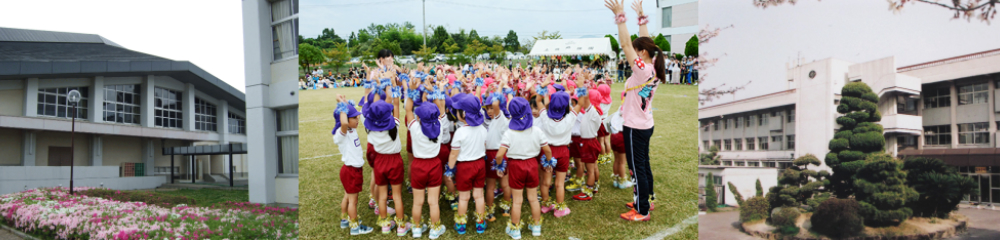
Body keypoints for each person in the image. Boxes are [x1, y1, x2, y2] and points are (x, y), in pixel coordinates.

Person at [605, 0, 663, 221]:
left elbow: (626, 44)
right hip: (645, 124)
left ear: (642, 53)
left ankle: (642, 210)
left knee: (637, 168)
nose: (634, 54)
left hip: (634, 126)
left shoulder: (642, 70)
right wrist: (642, 18)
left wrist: (620, 16)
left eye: (638, 51)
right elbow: (645, 43)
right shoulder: (653, 64)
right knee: (644, 164)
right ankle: (647, 200)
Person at [494, 97, 553, 239]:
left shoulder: (509, 132)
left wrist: (500, 166)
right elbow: (548, 150)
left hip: (515, 166)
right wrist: (549, 163)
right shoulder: (537, 131)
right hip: (532, 165)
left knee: (517, 200)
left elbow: (499, 154)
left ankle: (515, 230)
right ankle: (536, 227)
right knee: (533, 198)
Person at [404, 79, 448, 238]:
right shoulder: (441, 125)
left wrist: (411, 90)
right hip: (434, 165)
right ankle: (435, 229)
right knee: (433, 201)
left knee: (417, 201)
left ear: (419, 117)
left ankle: (416, 228)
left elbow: (408, 109)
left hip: (418, 165)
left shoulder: (415, 128)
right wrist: (433, 91)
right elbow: (441, 108)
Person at [447, 94, 489, 235]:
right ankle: (480, 223)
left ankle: (461, 224)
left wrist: (450, 169)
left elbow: (454, 154)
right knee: (479, 195)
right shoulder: (483, 129)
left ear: (463, 114)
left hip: (464, 167)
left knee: (464, 197)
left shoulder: (460, 132)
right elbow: (484, 145)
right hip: (480, 164)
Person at [332, 96, 375, 236]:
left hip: (351, 170)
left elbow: (347, 121)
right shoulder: (342, 133)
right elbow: (344, 122)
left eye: (357, 117)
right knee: (353, 201)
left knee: (347, 197)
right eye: (354, 118)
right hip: (351, 170)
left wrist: (345, 104)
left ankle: (344, 220)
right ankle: (355, 227)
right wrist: (341, 106)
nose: (357, 120)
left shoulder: (352, 129)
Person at [536, 89, 574, 218]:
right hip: (563, 151)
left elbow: (538, 101)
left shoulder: (545, 116)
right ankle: (559, 208)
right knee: (559, 183)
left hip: (547, 151)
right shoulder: (570, 117)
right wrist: (580, 88)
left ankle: (546, 205)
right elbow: (580, 104)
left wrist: (543, 87)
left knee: (546, 181)